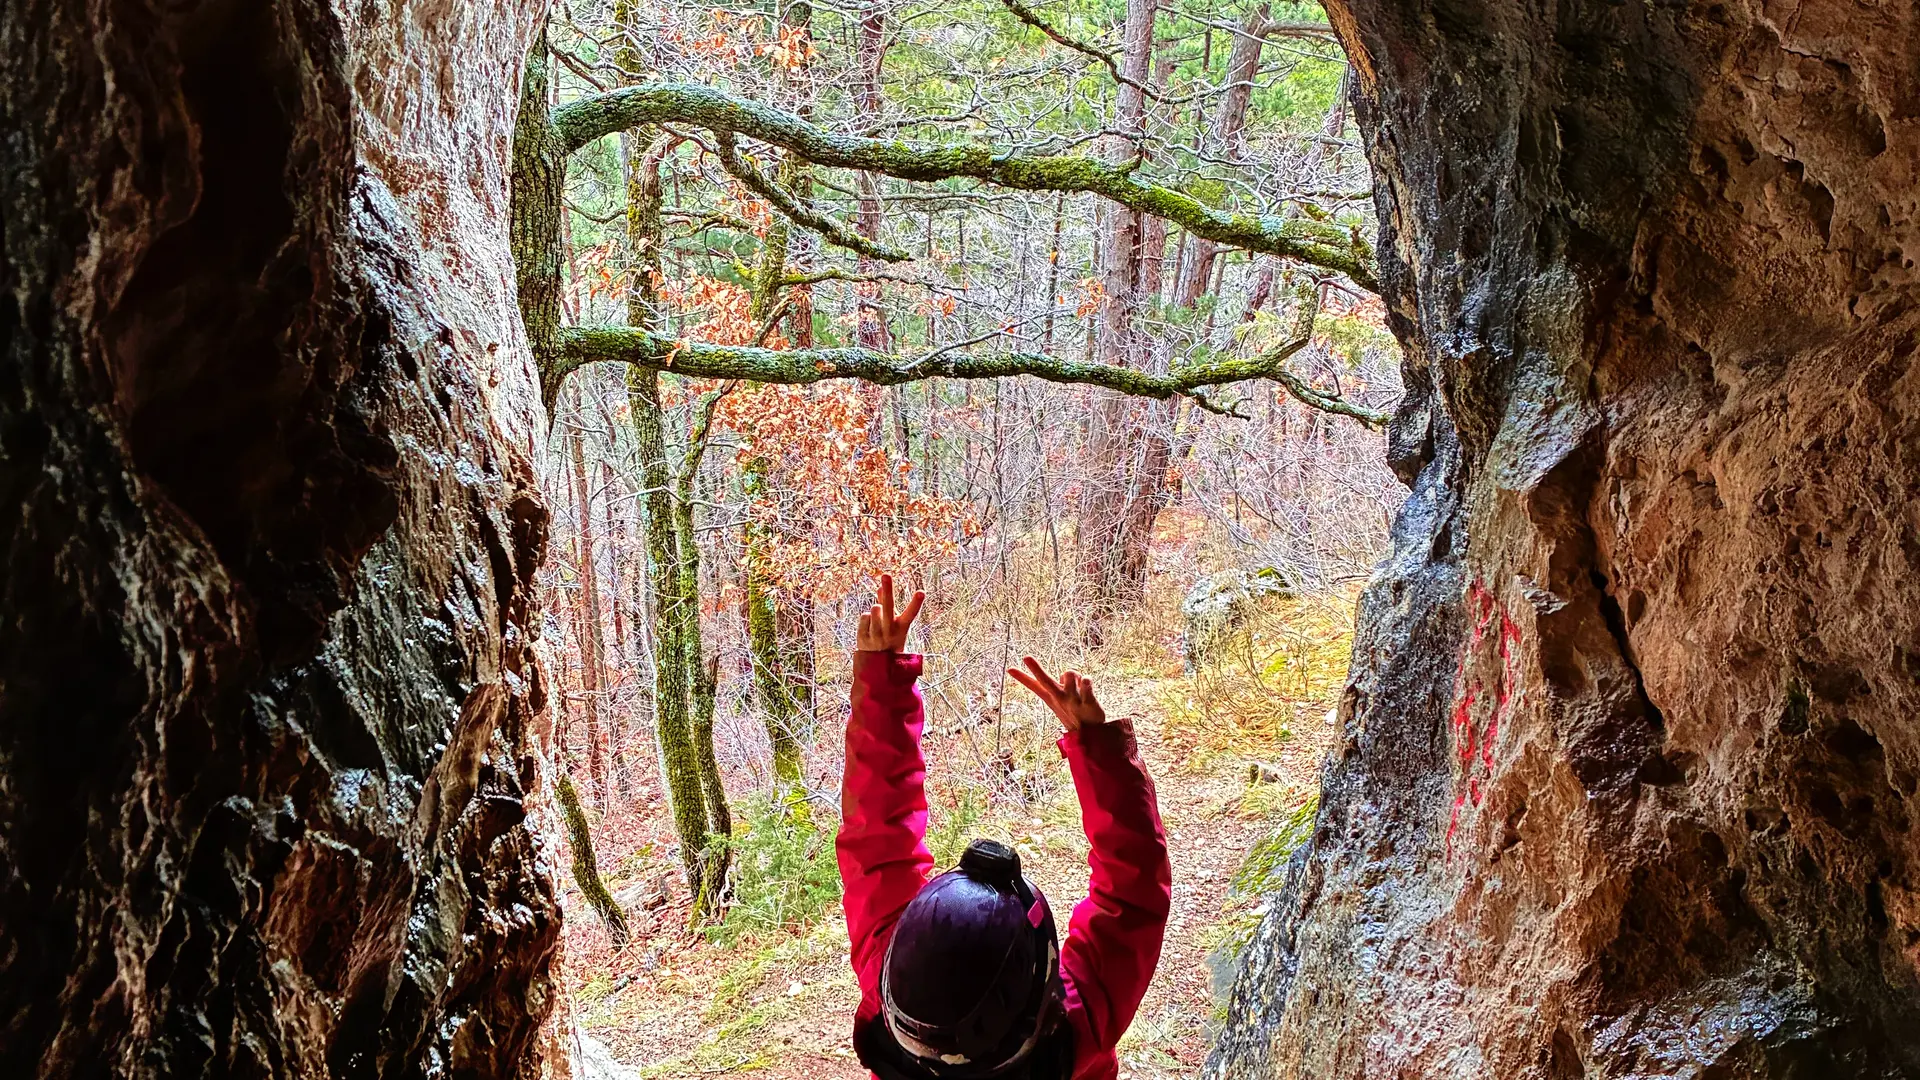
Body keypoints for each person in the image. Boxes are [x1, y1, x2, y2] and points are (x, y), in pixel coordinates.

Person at [837, 575, 1172, 1080]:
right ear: (1046, 990)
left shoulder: (896, 992)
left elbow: (877, 840)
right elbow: (1133, 892)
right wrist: (1099, 752)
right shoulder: (1079, 1027)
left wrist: (881, 685)